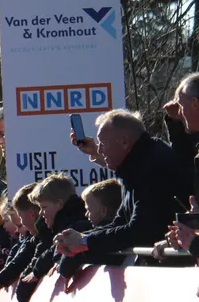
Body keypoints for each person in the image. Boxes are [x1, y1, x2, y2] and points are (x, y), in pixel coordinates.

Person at [56, 110, 190, 259]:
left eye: (102, 143)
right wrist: (78, 238)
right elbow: (121, 222)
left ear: (124, 142)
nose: (99, 149)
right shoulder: (134, 167)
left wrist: (85, 241)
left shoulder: (152, 168)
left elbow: (140, 230)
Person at [16, 174, 90, 302]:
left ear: (60, 204)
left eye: (43, 207)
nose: (41, 213)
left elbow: (56, 249)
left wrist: (37, 271)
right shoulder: (53, 229)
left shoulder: (73, 227)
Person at [0, 184, 41, 302]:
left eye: (20, 225)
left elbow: (29, 256)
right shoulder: (28, 239)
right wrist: (0, 279)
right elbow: (20, 257)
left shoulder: (38, 238)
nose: (18, 230)